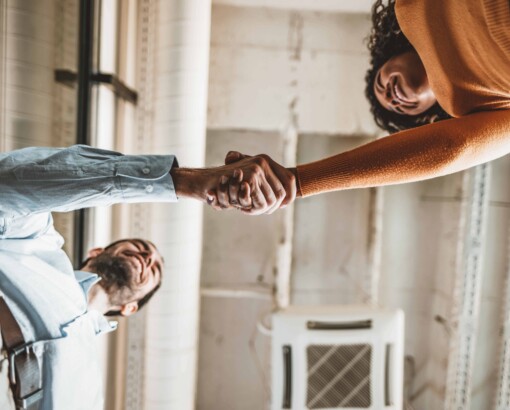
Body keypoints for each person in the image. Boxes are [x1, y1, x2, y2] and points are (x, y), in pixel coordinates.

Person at [0, 144, 287, 409]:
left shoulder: (90, 394)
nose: (147, 259)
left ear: (130, 307)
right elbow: (10, 184)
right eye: (140, 248)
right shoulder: (35, 245)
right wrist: (184, 182)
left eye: (155, 269)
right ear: (97, 251)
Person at [211, 0, 510, 213]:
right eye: (399, 109)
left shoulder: (411, 8)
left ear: (389, 54)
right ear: (430, 115)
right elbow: (452, 146)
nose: (391, 98)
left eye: (381, 83)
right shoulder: (476, 109)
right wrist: (297, 182)